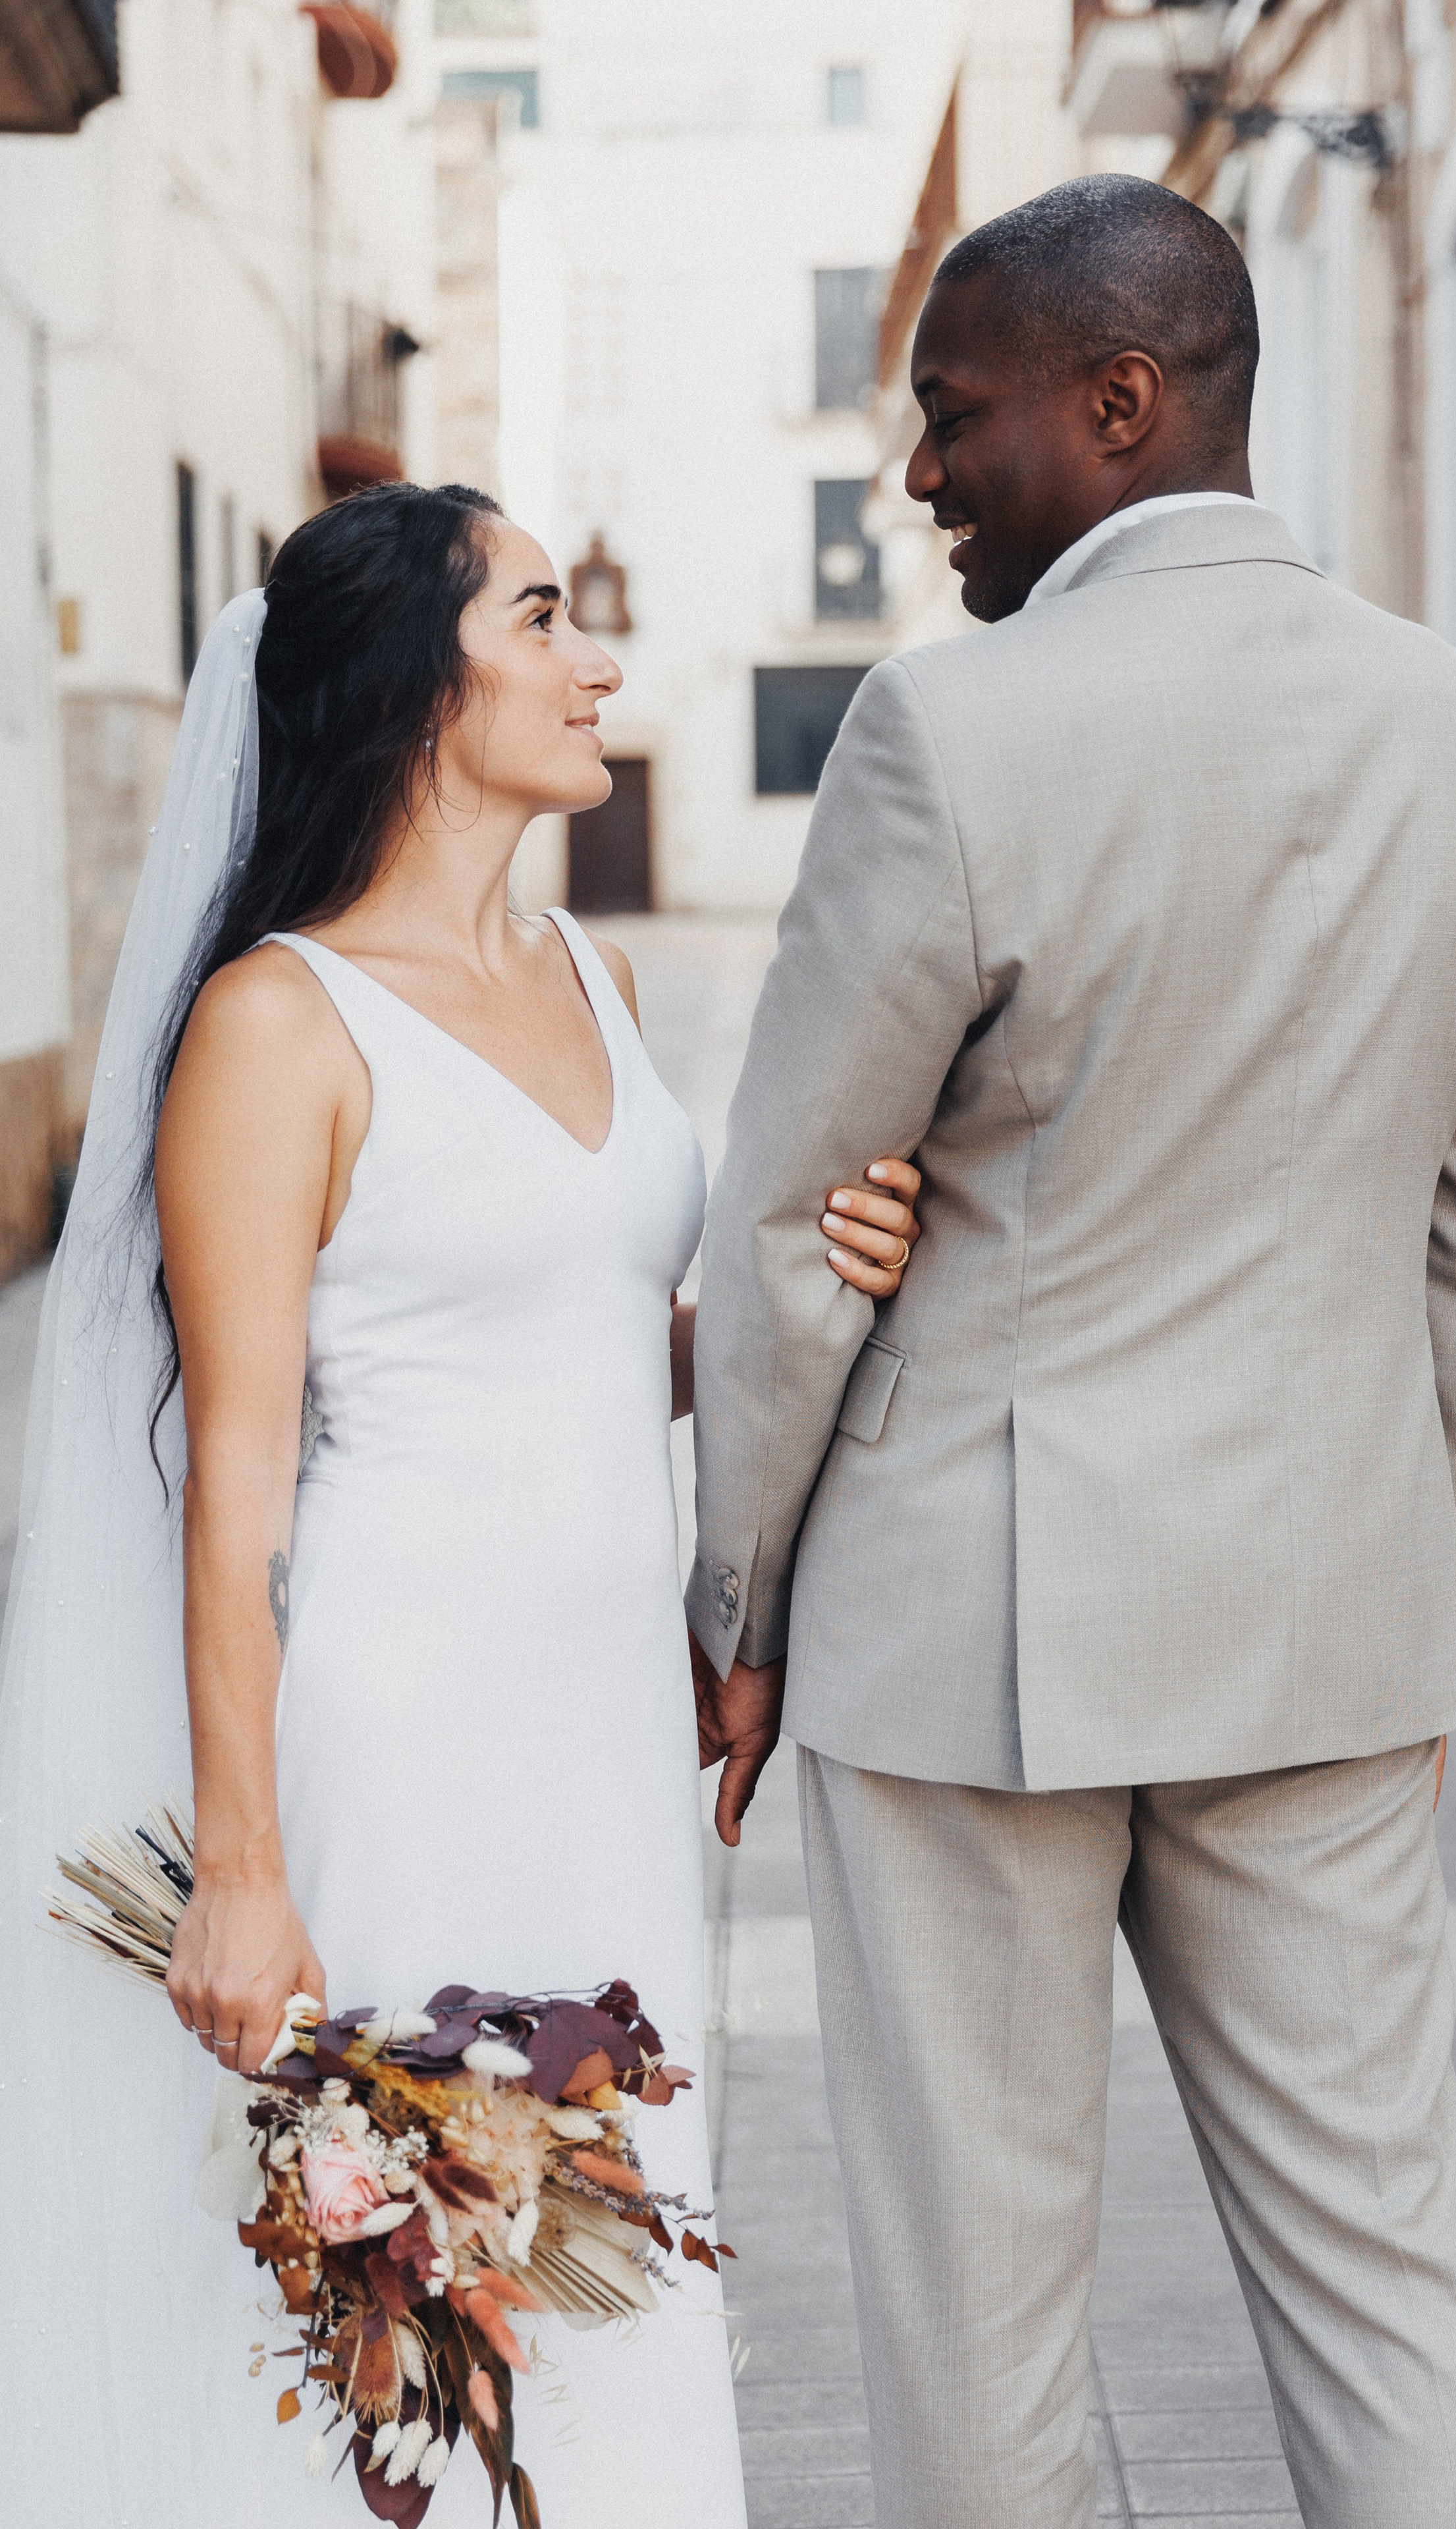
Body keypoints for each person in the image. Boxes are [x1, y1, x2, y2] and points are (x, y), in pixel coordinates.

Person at [685, 175, 1456, 2529]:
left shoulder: (950, 732)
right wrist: (1433, 1615)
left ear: (1122, 399)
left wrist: (738, 1610)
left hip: (964, 1639)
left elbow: (795, 1217)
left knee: (982, 2313)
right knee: (1398, 2270)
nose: (921, 475)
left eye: (955, 417)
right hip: (1323, 1631)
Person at [0, 480, 922, 2527]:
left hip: (597, 1725)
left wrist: (808, 1289)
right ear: (421, 688)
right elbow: (234, 1471)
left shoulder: (585, 971)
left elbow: (598, 1336)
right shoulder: (274, 1026)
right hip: (404, 1742)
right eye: (544, 616)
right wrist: (241, 1863)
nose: (600, 663)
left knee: (605, 2245)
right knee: (420, 2296)